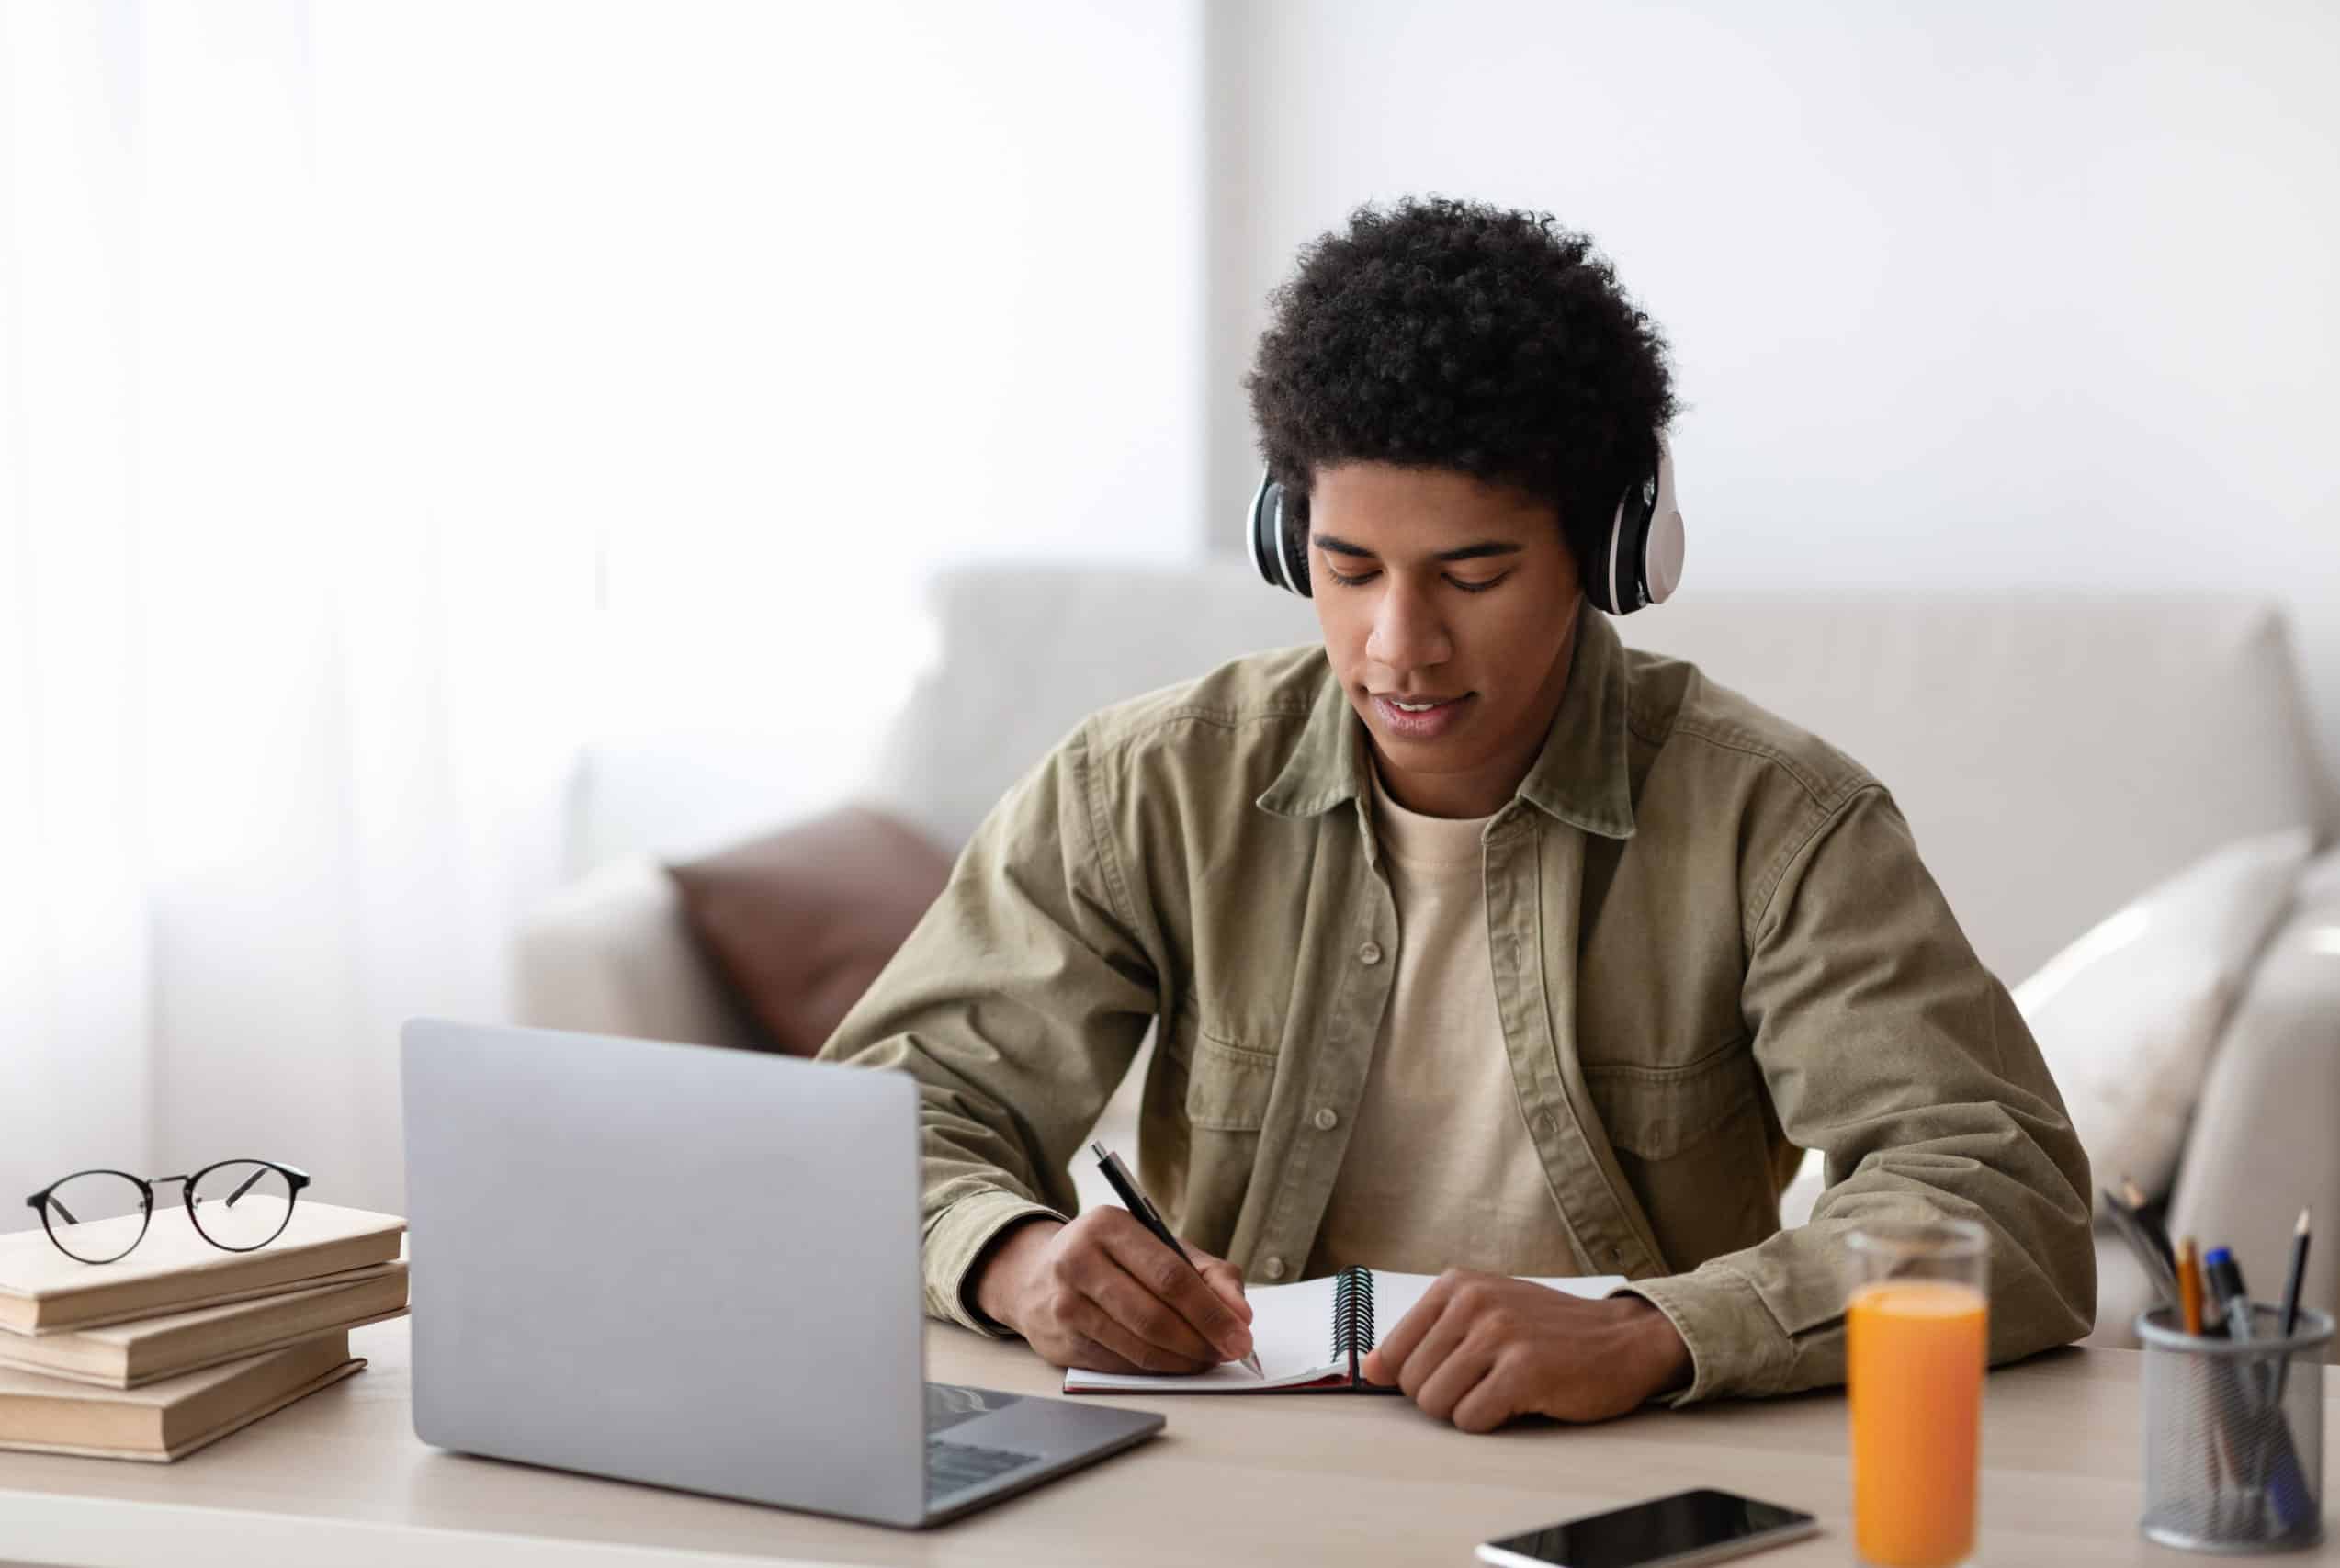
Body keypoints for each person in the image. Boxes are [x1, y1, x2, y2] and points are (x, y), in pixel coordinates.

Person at [818, 195, 2095, 1430]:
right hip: (1228, 1467)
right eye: (1347, 566)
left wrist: (1661, 1331)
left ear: (1611, 554)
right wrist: (1015, 1259)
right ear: (1285, 537)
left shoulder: (1782, 823)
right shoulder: (1143, 787)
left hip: (1618, 1472)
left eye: (1474, 572)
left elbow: (2002, 1200)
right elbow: (882, 1118)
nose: (1398, 646)